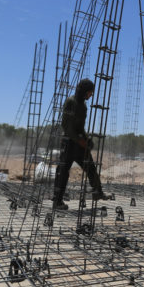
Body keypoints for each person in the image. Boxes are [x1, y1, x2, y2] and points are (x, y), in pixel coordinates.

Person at [52, 78, 107, 208]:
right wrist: (80, 140)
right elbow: (67, 127)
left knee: (91, 168)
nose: (91, 95)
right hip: (69, 143)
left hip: (79, 144)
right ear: (84, 91)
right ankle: (57, 201)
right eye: (90, 92)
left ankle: (98, 192)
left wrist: (87, 139)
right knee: (63, 172)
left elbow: (80, 127)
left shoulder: (83, 106)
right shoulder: (71, 102)